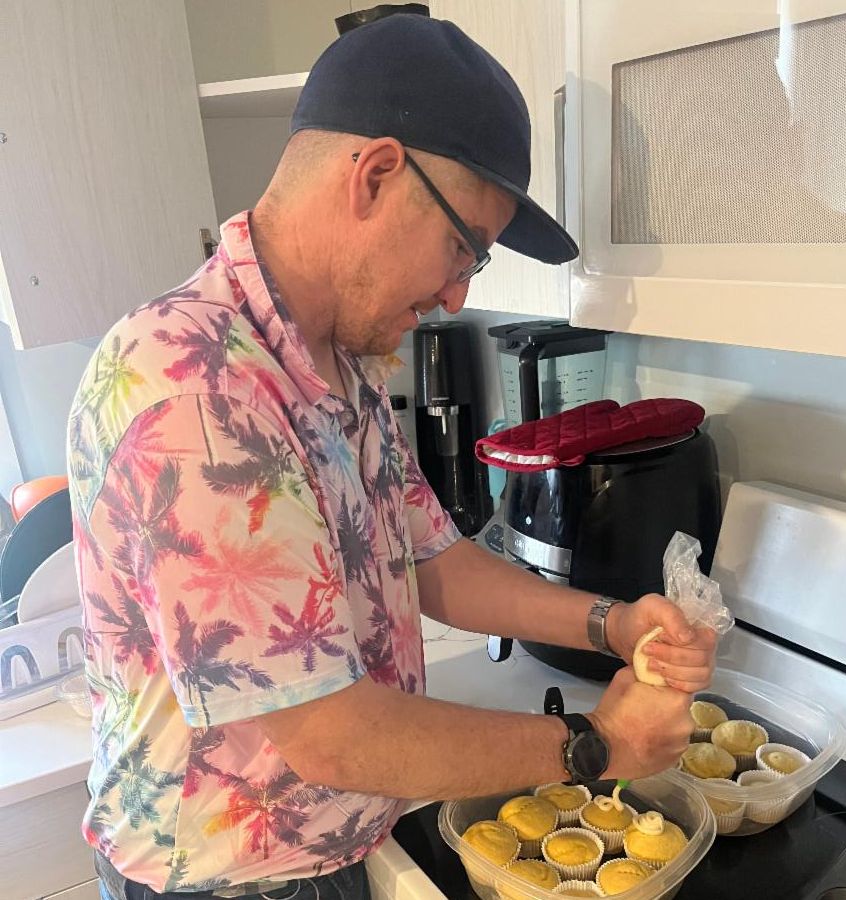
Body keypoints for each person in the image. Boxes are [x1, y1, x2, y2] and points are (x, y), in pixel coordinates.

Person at [67, 14, 717, 900]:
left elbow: (432, 562)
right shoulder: (199, 395)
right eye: (463, 248)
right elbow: (329, 735)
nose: (457, 296)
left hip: (326, 853)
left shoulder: (338, 361)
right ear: (374, 175)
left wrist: (612, 623)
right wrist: (594, 746)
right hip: (229, 886)